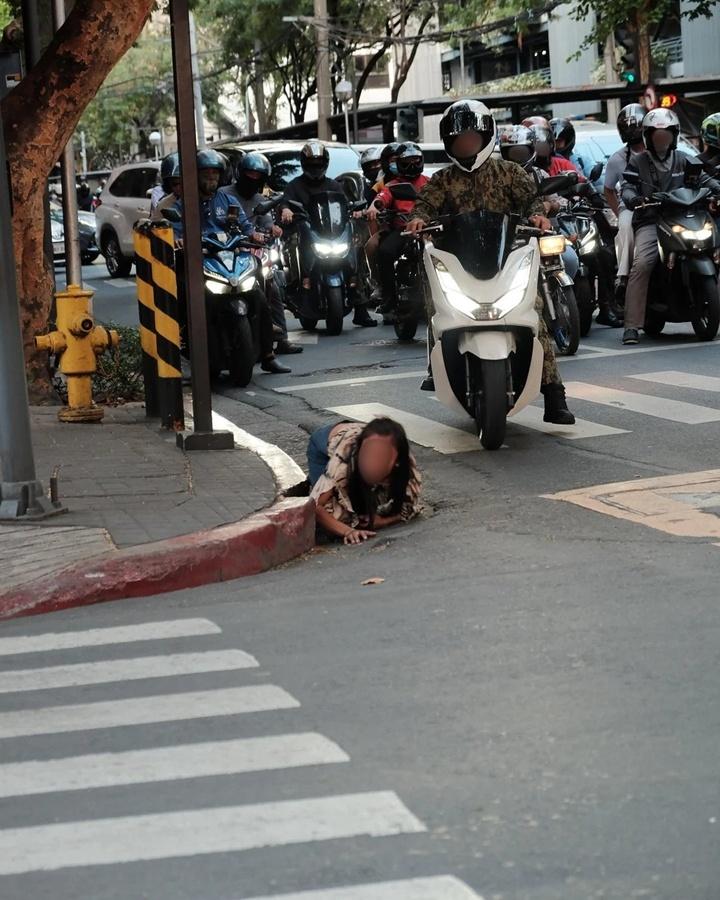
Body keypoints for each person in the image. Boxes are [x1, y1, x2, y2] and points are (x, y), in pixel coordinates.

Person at [406, 99, 576, 426]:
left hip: (508, 259)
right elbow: (424, 206)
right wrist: (417, 220)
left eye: (471, 137)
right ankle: (435, 362)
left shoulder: (511, 173)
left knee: (535, 312)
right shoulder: (442, 180)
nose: (465, 143)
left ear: (486, 137)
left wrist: (539, 217)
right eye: (459, 139)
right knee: (432, 302)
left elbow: (532, 203)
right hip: (458, 261)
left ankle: (555, 395)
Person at [171, 148, 290, 374]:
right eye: (205, 174)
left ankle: (268, 355)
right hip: (200, 263)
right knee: (183, 298)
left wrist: (255, 235)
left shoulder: (227, 200)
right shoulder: (184, 204)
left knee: (260, 298)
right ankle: (185, 354)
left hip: (230, 260)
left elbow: (245, 226)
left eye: (214, 174)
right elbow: (175, 230)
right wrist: (178, 240)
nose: (211, 179)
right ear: (195, 175)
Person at [620, 108, 720, 345]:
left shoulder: (685, 158)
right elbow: (627, 187)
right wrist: (634, 198)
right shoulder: (638, 161)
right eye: (657, 135)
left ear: (674, 136)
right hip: (652, 220)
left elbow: (705, 179)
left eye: (666, 135)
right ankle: (632, 326)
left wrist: (716, 187)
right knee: (643, 263)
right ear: (648, 137)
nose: (662, 139)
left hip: (685, 216)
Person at [279, 141, 376, 328]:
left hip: (332, 233)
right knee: (290, 247)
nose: (315, 168)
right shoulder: (294, 185)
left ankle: (361, 307)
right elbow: (285, 202)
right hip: (305, 232)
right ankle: (295, 288)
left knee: (356, 252)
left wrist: (354, 211)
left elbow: (345, 204)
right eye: (311, 163)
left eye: (319, 163)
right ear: (304, 163)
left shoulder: (334, 185)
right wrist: (286, 210)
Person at [222, 152, 303, 356]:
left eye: (258, 176)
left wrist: (273, 229)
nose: (253, 179)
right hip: (225, 255)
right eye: (250, 174)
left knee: (273, 285)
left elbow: (266, 223)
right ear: (240, 173)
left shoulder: (261, 200)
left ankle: (281, 338)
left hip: (251, 256)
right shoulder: (223, 195)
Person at [308, 418, 422, 544]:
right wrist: (348, 531)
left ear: (397, 462)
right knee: (336, 513)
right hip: (324, 444)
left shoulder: (408, 470)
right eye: (367, 454)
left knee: (368, 503)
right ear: (359, 452)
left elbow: (409, 508)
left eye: (381, 457)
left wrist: (380, 521)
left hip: (358, 434)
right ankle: (323, 480)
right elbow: (314, 507)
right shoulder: (343, 462)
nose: (371, 465)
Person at [500, 124, 581, 284]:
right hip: (508, 237)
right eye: (513, 153)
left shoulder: (539, 175)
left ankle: (562, 298)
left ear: (531, 151)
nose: (517, 157)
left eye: (521, 152)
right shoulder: (496, 178)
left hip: (540, 234)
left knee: (569, 258)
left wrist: (550, 206)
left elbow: (558, 201)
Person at [368, 142, 429, 315]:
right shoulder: (392, 185)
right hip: (404, 231)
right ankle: (389, 298)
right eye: (407, 161)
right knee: (385, 252)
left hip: (428, 231)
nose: (412, 165)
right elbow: (381, 198)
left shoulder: (430, 183)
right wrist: (375, 206)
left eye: (415, 160)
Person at [603, 103, 646, 305]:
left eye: (636, 126)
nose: (633, 130)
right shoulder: (617, 159)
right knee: (625, 227)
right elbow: (608, 189)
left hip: (661, 205)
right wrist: (619, 211)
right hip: (631, 207)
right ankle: (623, 277)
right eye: (628, 127)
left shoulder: (661, 152)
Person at [152, 151, 182, 220]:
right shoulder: (163, 205)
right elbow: (155, 226)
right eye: (174, 184)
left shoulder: (204, 200)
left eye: (181, 183)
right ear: (168, 184)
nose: (178, 187)